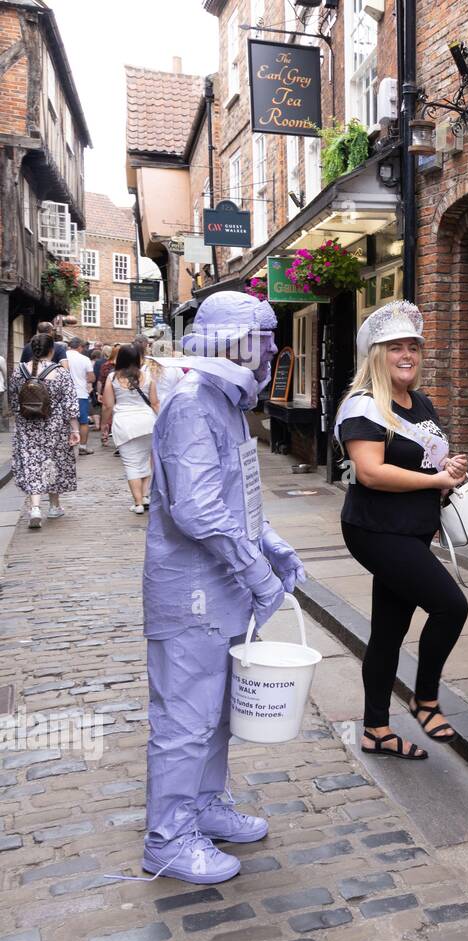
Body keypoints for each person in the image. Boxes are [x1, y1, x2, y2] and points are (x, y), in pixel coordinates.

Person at [141, 291, 305, 885]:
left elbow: (240, 498)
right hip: (191, 594)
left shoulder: (223, 402)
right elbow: (198, 510)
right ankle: (168, 836)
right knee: (185, 718)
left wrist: (272, 545)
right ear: (232, 340)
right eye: (261, 337)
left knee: (213, 715)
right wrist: (256, 571)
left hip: (220, 591)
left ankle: (205, 805)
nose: (270, 350)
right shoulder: (191, 403)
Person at [334, 300, 468, 760]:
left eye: (413, 346)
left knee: (389, 631)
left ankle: (375, 729)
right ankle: (425, 699)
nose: (407, 354)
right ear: (377, 354)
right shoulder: (364, 406)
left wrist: (448, 468)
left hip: (411, 529)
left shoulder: (421, 403)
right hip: (376, 530)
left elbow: (424, 460)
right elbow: (370, 472)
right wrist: (436, 480)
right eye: (396, 348)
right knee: (451, 606)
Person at [8, 333, 79, 528]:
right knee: (51, 462)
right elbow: (70, 404)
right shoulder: (60, 372)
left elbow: (14, 402)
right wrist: (75, 430)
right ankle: (54, 506)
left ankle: (35, 507)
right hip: (54, 426)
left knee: (32, 463)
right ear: (51, 350)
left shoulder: (18, 371)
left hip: (27, 425)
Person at [100, 342, 160, 513]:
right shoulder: (147, 377)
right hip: (148, 423)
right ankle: (145, 495)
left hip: (124, 424)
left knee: (131, 464)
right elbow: (155, 403)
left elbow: (108, 406)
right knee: (145, 461)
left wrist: (104, 424)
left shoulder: (113, 378)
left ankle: (138, 502)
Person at [64, 337, 95, 455]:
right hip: (81, 393)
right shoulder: (85, 359)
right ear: (80, 347)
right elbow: (91, 378)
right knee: (83, 421)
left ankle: (67, 444)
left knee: (66, 420)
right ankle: (82, 446)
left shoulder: (62, 357)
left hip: (65, 393)